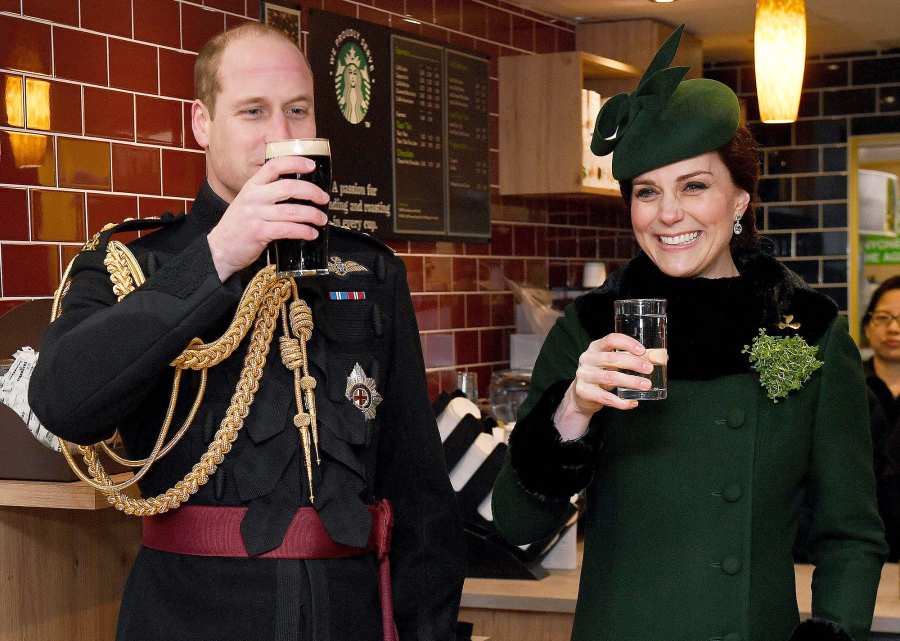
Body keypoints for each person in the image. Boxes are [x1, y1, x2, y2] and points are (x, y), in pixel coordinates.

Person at [28, 23, 465, 641]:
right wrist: (218, 257)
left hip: (349, 615)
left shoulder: (370, 270)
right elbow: (63, 403)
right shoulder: (133, 266)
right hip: (190, 616)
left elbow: (418, 488)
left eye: (298, 111)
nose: (282, 138)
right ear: (202, 123)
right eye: (253, 112)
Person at [491, 26, 887, 641]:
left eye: (694, 186)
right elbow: (515, 525)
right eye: (647, 192)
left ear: (739, 200)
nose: (667, 214)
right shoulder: (592, 330)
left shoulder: (802, 333)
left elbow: (850, 534)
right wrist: (572, 411)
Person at [863, 276, 900, 562]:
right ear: (868, 326)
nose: (893, 328)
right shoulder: (845, 384)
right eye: (884, 317)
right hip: (860, 541)